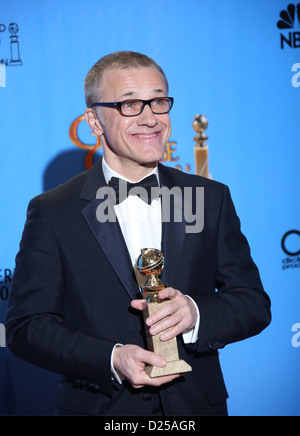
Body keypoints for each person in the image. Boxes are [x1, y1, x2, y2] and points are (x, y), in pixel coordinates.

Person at [6, 51, 271, 416]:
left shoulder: (210, 197)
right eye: (130, 104)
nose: (151, 118)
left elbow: (253, 303)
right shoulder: (53, 211)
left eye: (159, 101)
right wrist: (110, 358)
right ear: (94, 121)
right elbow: (26, 328)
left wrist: (195, 313)